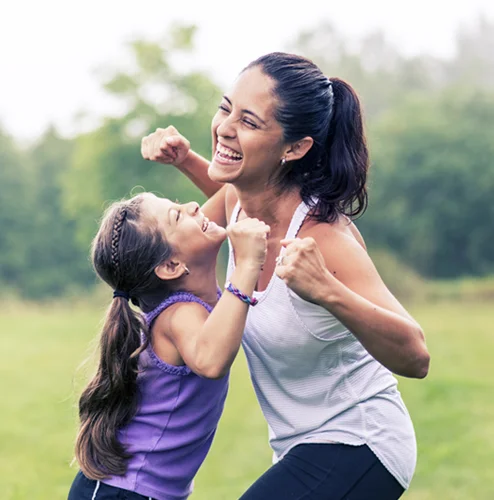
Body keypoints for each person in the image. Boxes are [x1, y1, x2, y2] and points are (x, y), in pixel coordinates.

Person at [141, 52, 430, 499]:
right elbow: (207, 224)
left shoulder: (323, 240)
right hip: (301, 446)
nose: (224, 127)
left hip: (361, 440)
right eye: (225, 108)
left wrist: (328, 291)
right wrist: (185, 160)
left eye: (249, 122)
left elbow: (416, 355)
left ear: (295, 148)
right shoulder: (238, 202)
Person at [68, 192, 270, 500]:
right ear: (172, 265)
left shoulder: (194, 302)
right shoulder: (179, 315)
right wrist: (247, 264)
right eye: (177, 215)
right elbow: (211, 361)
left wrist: (185, 158)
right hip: (124, 493)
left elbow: (234, 191)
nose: (193, 206)